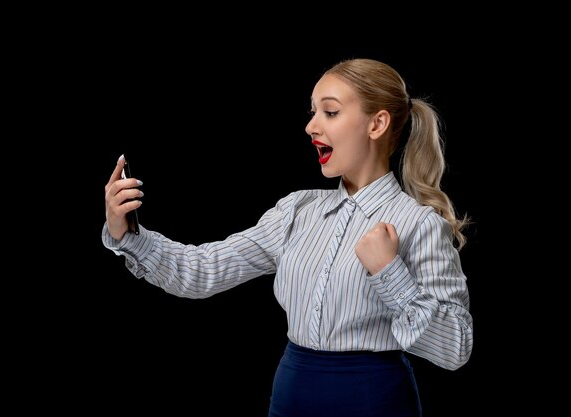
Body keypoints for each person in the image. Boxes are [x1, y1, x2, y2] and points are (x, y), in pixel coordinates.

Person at [103, 58, 473, 417]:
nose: (311, 126)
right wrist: (128, 235)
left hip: (373, 400)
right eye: (312, 113)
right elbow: (204, 270)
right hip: (292, 396)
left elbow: (456, 347)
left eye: (329, 112)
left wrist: (390, 273)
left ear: (376, 124)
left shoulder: (419, 223)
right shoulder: (296, 211)